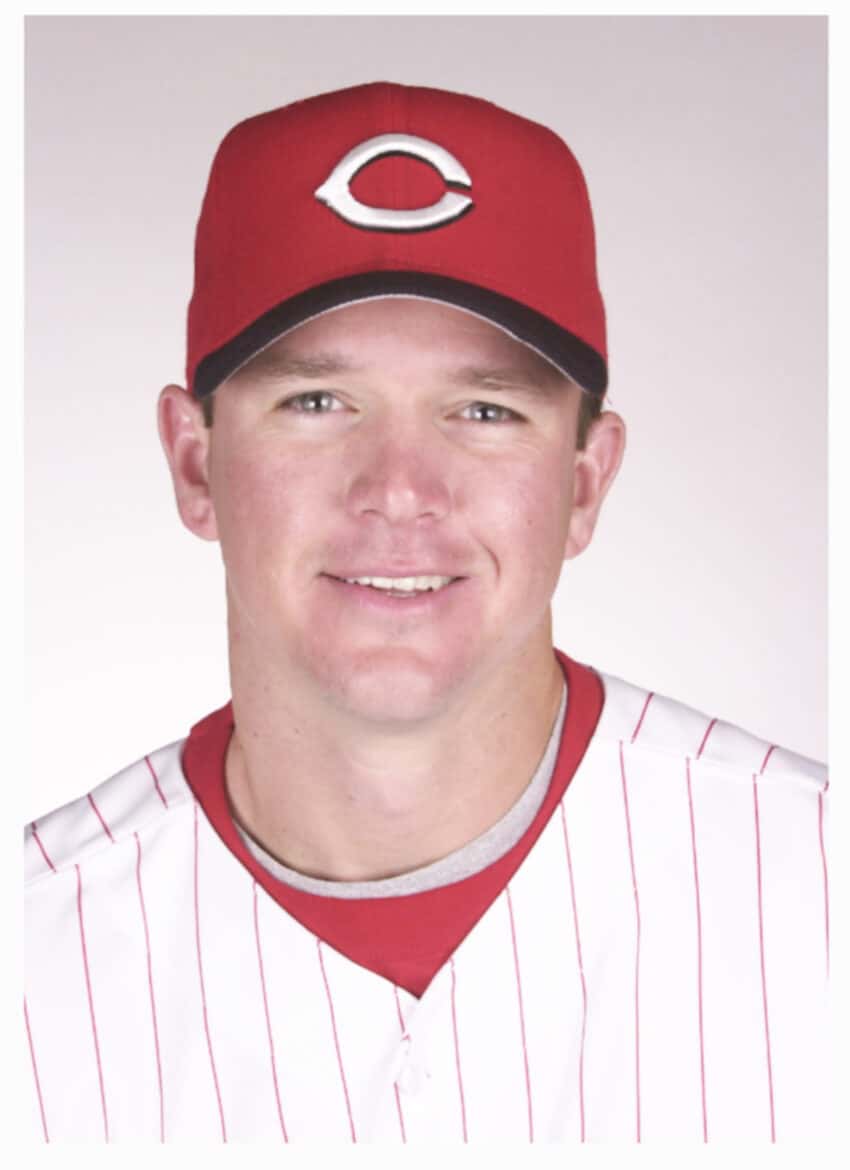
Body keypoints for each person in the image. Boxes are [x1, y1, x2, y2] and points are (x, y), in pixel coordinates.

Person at [23, 81, 830, 1142]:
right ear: (195, 464)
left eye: (484, 410)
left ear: (584, 483)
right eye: (317, 402)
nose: (400, 490)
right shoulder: (30, 963)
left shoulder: (819, 885)